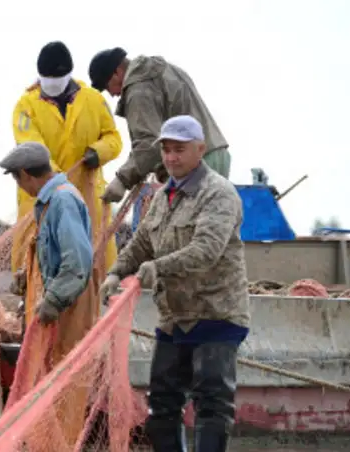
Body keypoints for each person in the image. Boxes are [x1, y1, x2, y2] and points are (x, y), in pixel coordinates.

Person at [99, 115, 250, 451]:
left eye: (178, 150)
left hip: (216, 315)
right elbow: (140, 244)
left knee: (212, 405)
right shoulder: (163, 194)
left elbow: (206, 251)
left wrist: (157, 268)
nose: (170, 157)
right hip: (174, 319)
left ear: (200, 149)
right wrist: (116, 271)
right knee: (162, 405)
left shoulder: (219, 194)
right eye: (165, 150)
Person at [0, 141, 94, 449]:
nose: (20, 186)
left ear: (26, 174)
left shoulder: (63, 201)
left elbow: (77, 263)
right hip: (54, 312)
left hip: (67, 312)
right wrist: (25, 280)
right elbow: (52, 254)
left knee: (64, 385)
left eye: (17, 179)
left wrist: (51, 302)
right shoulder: (51, 201)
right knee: (49, 383)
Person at [11, 41, 122, 281]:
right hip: (40, 200)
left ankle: (91, 317)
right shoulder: (25, 106)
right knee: (38, 271)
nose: (52, 84)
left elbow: (114, 138)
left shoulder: (94, 100)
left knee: (92, 267)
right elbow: (33, 149)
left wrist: (99, 151)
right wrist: (59, 184)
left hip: (89, 195)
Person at [88, 47, 231, 203]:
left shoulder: (139, 89)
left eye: (107, 85)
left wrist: (122, 180)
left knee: (186, 224)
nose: (112, 94)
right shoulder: (166, 71)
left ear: (117, 72)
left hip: (194, 162)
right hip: (215, 153)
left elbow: (149, 144)